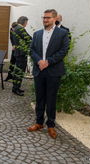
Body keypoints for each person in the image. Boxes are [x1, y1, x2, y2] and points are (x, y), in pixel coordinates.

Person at [28, 9, 69, 139]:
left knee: (51, 99)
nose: (45, 20)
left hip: (53, 70)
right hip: (39, 70)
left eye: (48, 18)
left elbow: (63, 51)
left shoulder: (63, 33)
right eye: (44, 17)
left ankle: (50, 125)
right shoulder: (37, 34)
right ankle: (39, 122)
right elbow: (32, 50)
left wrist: (49, 61)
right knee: (39, 98)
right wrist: (39, 60)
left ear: (55, 18)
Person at [11, 16, 32, 96]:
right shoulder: (20, 29)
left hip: (18, 52)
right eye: (26, 22)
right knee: (20, 72)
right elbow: (28, 38)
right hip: (21, 53)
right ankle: (16, 89)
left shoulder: (16, 28)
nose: (27, 24)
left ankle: (16, 87)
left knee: (18, 71)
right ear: (24, 22)